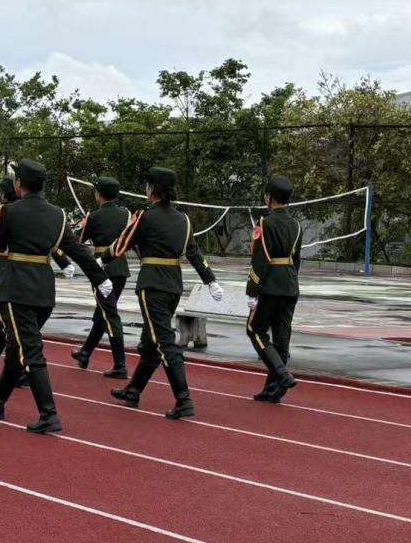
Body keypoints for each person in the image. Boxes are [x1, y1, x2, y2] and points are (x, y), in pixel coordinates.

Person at [0, 159, 112, 433]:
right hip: (44, 292)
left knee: (30, 350)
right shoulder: (57, 215)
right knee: (17, 347)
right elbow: (76, 250)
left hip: (16, 290)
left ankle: (49, 414)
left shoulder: (8, 212)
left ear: (19, 184)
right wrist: (100, 278)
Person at [109, 167, 224, 419]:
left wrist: (99, 260)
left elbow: (121, 246)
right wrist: (210, 280)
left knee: (163, 342)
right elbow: (193, 252)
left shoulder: (145, 217)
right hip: (173, 286)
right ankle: (133, 391)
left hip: (152, 285)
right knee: (152, 342)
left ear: (152, 189)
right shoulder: (183, 220)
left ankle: (184, 400)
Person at [0, 175, 74, 381]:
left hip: (7, 274)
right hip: (27, 278)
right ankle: (3, 369)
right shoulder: (31, 212)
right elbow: (49, 243)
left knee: (7, 326)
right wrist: (64, 262)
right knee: (11, 327)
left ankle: (7, 368)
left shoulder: (4, 212)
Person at [247, 175, 303, 403]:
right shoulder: (296, 225)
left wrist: (252, 290)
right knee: (281, 338)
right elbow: (296, 260)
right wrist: (291, 281)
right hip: (290, 284)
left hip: (271, 284)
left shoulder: (264, 223)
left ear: (269, 197)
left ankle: (282, 374)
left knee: (255, 329)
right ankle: (273, 389)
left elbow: (260, 258)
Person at [71, 176, 133, 379]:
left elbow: (79, 240)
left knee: (109, 314)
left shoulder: (94, 216)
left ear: (99, 194)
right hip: (121, 267)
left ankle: (120, 365)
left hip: (101, 269)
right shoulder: (126, 214)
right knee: (103, 313)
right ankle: (85, 352)